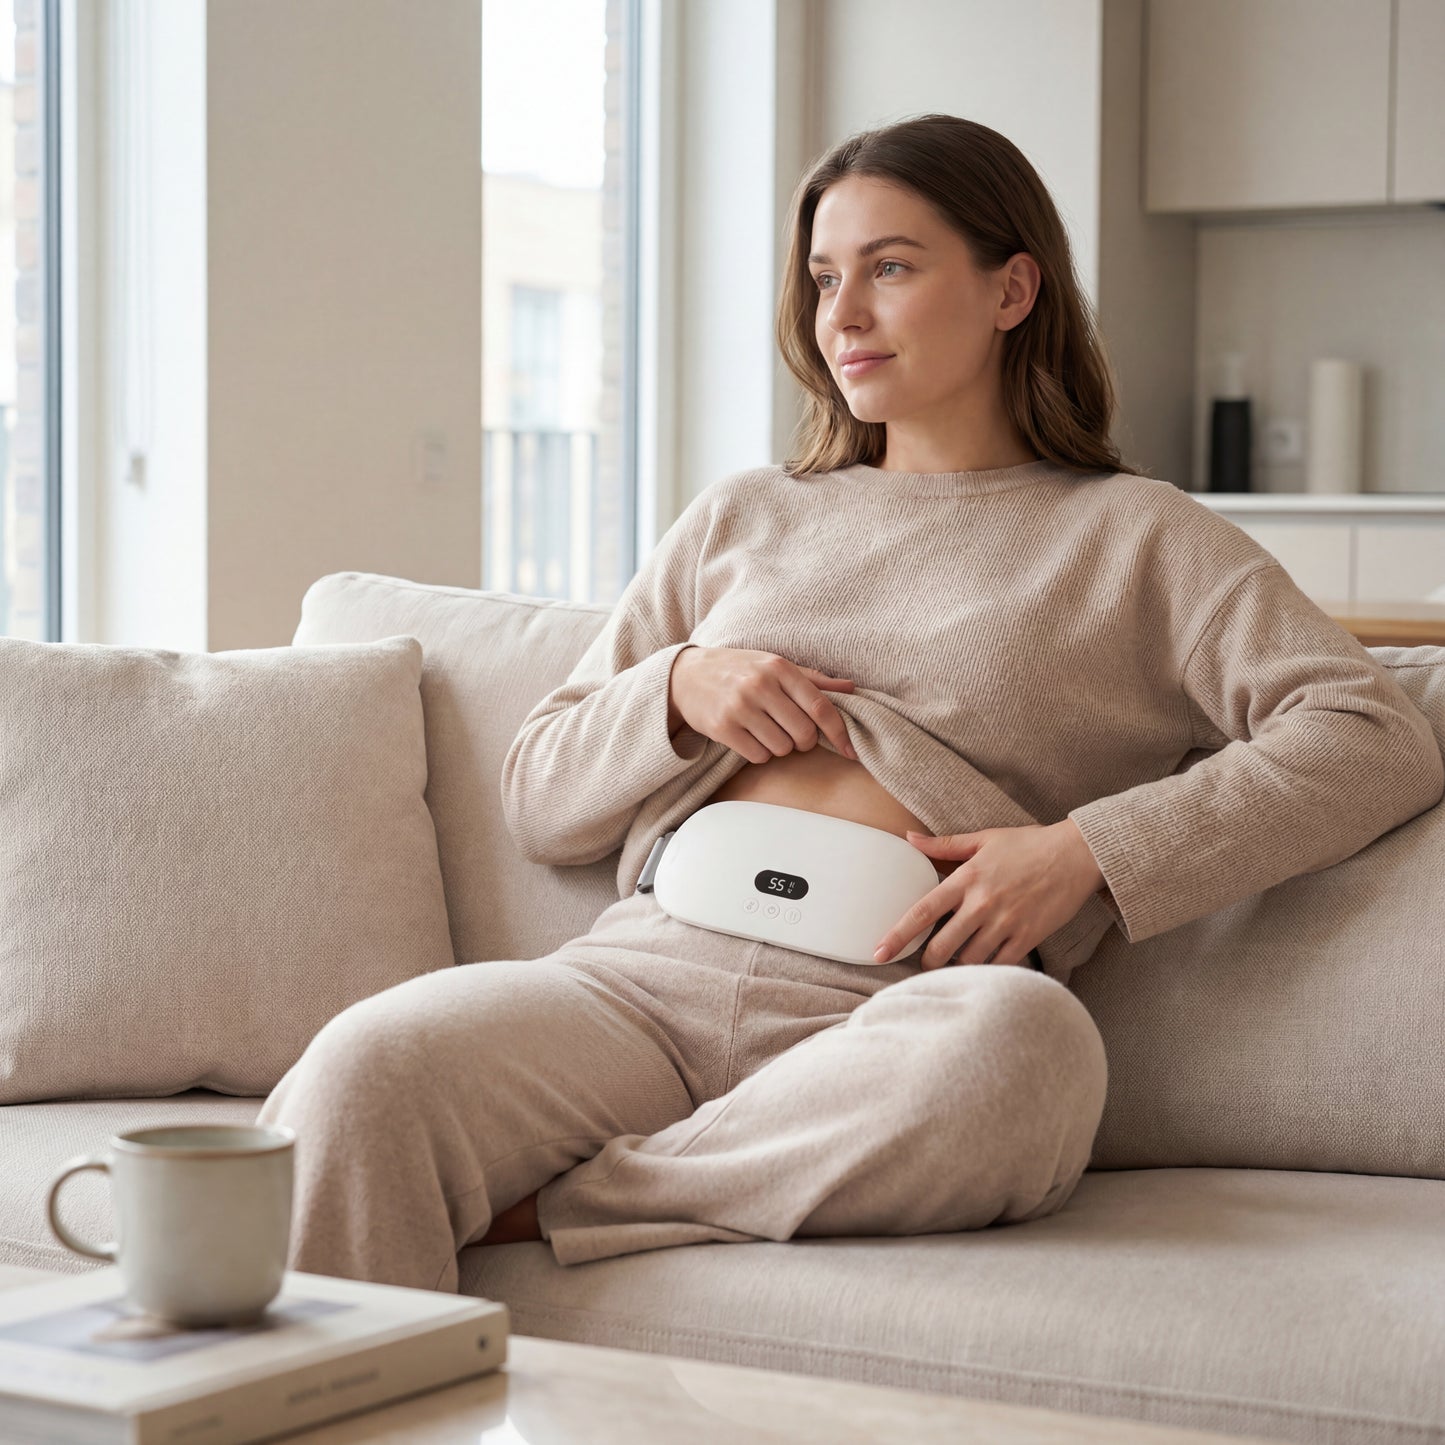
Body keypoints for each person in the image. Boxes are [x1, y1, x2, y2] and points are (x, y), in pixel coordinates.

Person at [257, 114, 1444, 1290]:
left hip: (901, 1008)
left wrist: (1085, 851)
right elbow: (538, 797)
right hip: (643, 977)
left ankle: (570, 1204)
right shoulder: (740, 515)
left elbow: (1365, 729)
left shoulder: (1137, 538)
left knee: (1022, 1056)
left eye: (889, 267)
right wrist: (674, 689)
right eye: (824, 276)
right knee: (364, 1066)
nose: (842, 315)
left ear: (1009, 288)